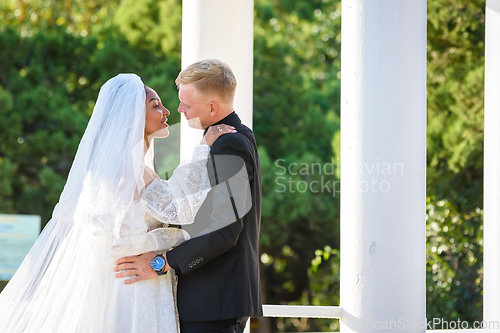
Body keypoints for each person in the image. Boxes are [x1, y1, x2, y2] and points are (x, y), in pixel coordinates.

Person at [0, 73, 235, 333]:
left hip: (141, 283)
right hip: (132, 289)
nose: (167, 111)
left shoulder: (137, 166)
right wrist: (203, 149)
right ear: (132, 116)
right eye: (156, 105)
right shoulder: (127, 169)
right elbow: (179, 210)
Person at [115, 59, 263, 333]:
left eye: (187, 103)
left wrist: (162, 263)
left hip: (213, 298)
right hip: (212, 297)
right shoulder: (232, 137)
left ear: (211, 107)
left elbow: (224, 230)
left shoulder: (228, 143)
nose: (178, 109)